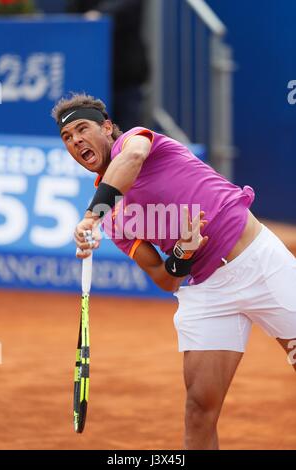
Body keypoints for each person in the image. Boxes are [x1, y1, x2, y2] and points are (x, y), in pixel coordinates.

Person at [52, 93, 296, 450]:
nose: (75, 141)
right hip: (207, 291)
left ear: (106, 128)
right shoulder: (116, 221)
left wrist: (92, 215)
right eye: (67, 138)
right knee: (199, 409)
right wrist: (182, 253)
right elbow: (166, 278)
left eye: (82, 129)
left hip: (261, 263)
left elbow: (132, 157)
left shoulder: (138, 140)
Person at [67, 0, 150, 131]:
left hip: (125, 75)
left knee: (127, 133)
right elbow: (72, 14)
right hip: (89, 73)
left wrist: (100, 14)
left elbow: (126, 6)